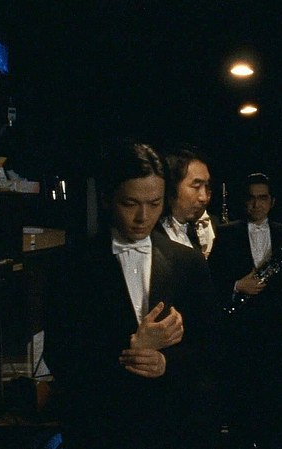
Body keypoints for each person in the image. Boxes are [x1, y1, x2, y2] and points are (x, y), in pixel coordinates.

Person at [44, 143, 219, 448]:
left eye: (154, 203)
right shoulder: (72, 265)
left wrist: (165, 362)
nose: (143, 216)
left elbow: (213, 346)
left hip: (173, 428)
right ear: (106, 199)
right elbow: (60, 357)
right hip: (101, 429)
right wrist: (134, 349)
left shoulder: (188, 262)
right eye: (130, 203)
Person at [207, 172, 282, 447]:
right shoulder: (227, 233)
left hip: (277, 328)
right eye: (251, 198)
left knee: (275, 399)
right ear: (244, 201)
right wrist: (237, 285)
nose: (256, 204)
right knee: (242, 399)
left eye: (262, 198)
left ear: (272, 201)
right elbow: (211, 279)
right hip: (240, 329)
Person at [158, 148, 215, 258]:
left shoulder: (192, 232)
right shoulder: (150, 234)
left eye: (206, 186)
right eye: (196, 186)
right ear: (172, 185)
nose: (204, 197)